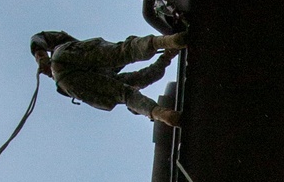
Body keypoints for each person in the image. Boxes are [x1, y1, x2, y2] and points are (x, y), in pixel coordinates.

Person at [30, 30, 185, 126]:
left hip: (66, 82)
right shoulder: (102, 62)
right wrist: (166, 57)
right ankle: (165, 41)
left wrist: (167, 56)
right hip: (63, 67)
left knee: (125, 94)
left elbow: (145, 77)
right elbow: (147, 75)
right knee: (125, 54)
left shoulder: (109, 75)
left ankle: (160, 113)